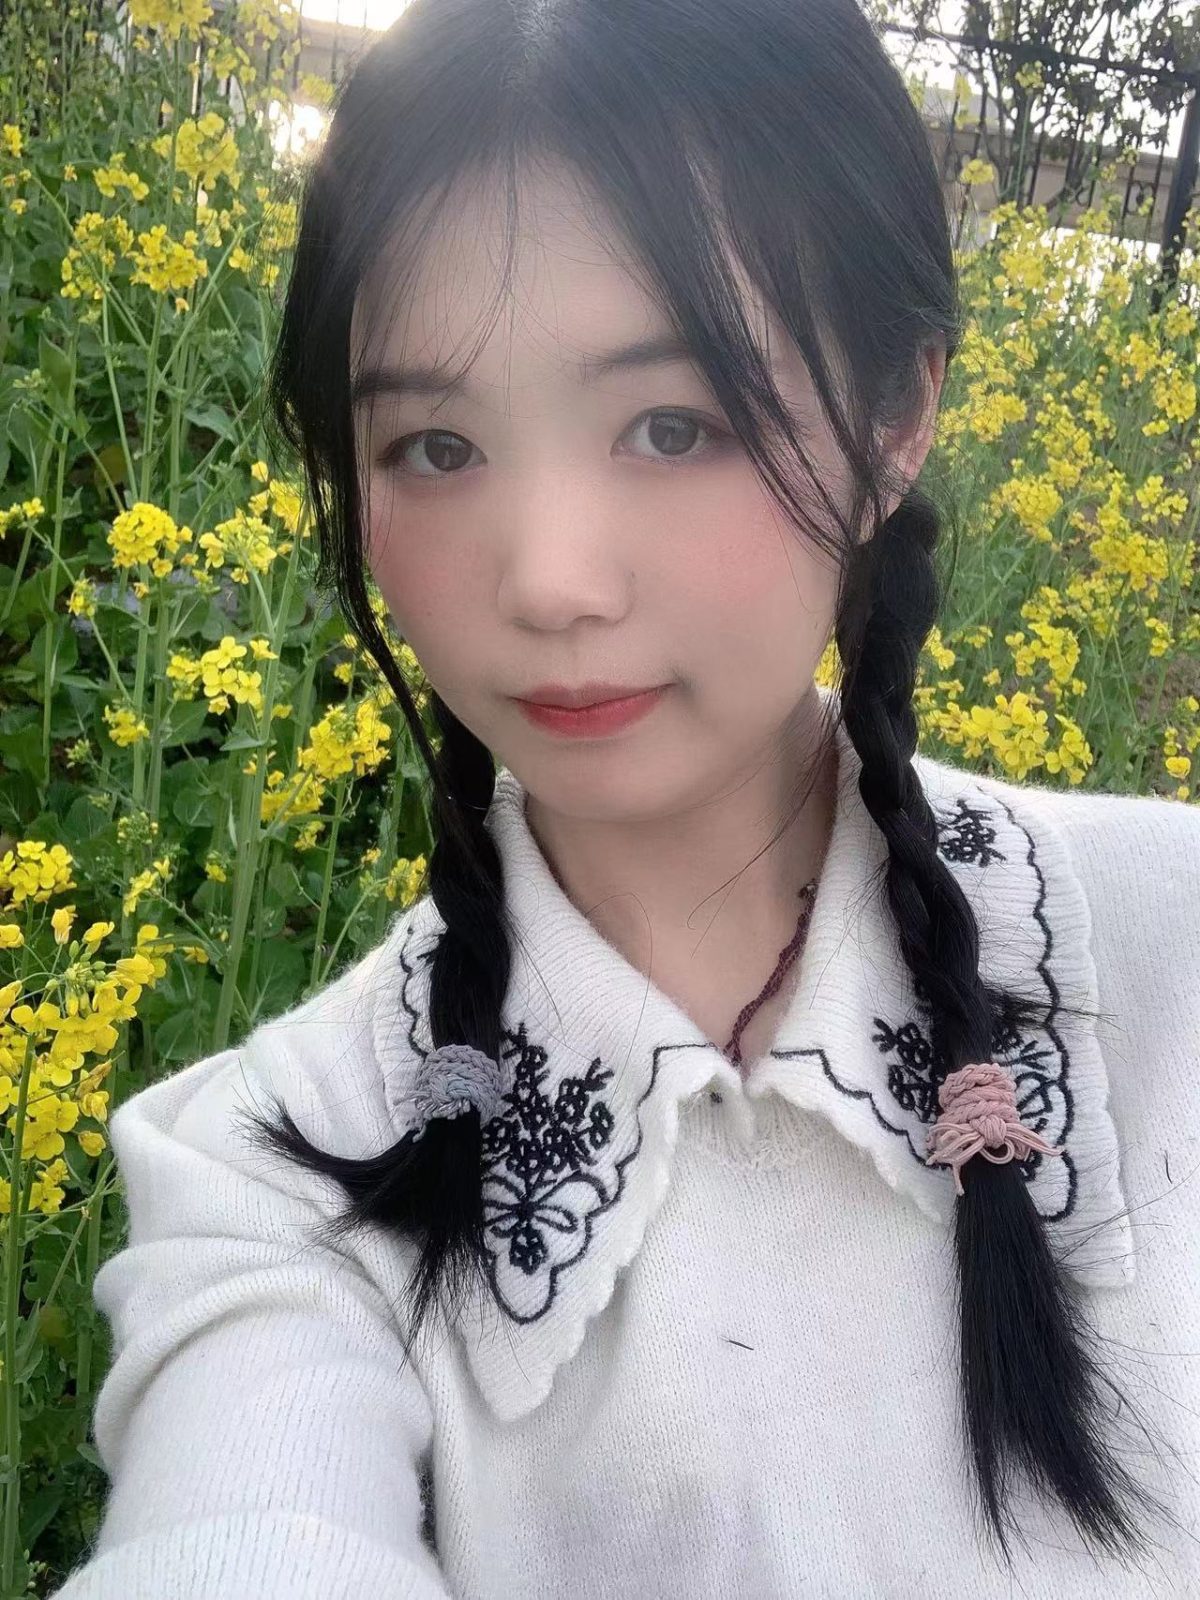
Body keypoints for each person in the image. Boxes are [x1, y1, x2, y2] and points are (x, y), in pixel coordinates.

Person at [53, 0, 1200, 1594]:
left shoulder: (1170, 948)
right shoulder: (282, 1170)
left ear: (895, 419)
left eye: (675, 426)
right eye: (434, 447)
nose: (548, 581)